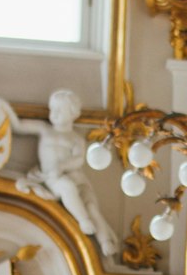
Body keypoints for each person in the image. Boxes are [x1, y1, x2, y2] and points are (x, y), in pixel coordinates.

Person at [8, 89, 119, 257]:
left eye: (60, 110)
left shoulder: (75, 139)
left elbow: (79, 159)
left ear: (73, 113)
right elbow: (18, 125)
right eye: (53, 109)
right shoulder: (45, 129)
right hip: (52, 178)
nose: (54, 114)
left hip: (75, 178)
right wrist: (3, 109)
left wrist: (62, 166)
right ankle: (83, 220)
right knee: (67, 188)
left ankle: (105, 242)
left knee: (92, 208)